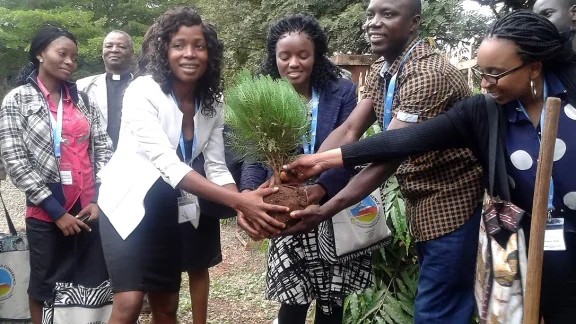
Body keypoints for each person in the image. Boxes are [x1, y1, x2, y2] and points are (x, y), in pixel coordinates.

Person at [285, 10, 576, 324]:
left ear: (533, 68)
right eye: (482, 72)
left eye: (495, 73)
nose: (485, 83)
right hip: (535, 243)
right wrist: (317, 161)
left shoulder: (570, 93)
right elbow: (403, 140)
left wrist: (325, 195)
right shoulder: (485, 111)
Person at [252, 0, 484, 322]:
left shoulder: (426, 75)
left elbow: (389, 153)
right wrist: (308, 166)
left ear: (414, 22)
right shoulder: (383, 69)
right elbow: (350, 130)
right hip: (418, 195)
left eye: (388, 14)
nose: (373, 22)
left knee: (436, 310)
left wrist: (326, 208)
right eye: (371, 14)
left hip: (449, 204)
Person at [96, 7, 288, 324]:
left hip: (166, 209)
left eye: (198, 45)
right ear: (164, 50)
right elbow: (168, 165)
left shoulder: (211, 102)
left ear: (209, 53)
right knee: (129, 303)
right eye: (179, 45)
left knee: (167, 306)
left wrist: (244, 207)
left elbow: (215, 165)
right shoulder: (143, 92)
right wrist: (241, 200)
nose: (190, 54)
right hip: (125, 208)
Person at [237, 14, 371, 324]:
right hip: (287, 212)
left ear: (316, 55)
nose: (293, 63)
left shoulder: (341, 91)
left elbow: (347, 151)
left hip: (331, 207)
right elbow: (253, 155)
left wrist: (319, 190)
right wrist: (247, 194)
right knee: (292, 299)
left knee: (331, 302)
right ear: (275, 58)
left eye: (303, 55)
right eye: (284, 56)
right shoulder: (262, 95)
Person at [0, 25, 113, 324]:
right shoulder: (17, 100)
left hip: (89, 208)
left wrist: (100, 198)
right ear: (40, 53)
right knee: (44, 285)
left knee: (90, 282)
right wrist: (56, 212)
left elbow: (103, 148)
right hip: (46, 210)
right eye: (62, 54)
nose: (69, 62)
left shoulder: (83, 101)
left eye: (74, 57)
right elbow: (14, 160)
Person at [77, 30, 134, 150]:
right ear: (102, 53)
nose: (114, 50)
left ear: (132, 53)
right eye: (109, 46)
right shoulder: (83, 86)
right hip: (95, 158)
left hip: (132, 157)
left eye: (122, 46)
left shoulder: (144, 87)